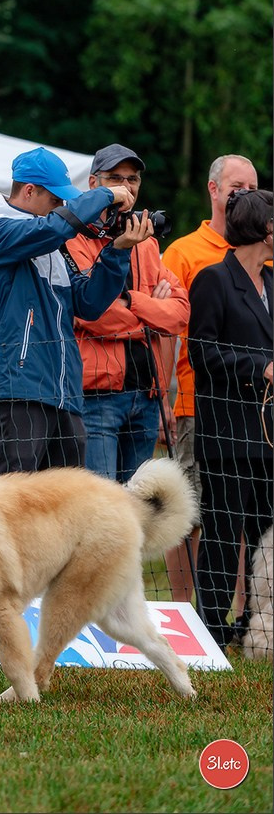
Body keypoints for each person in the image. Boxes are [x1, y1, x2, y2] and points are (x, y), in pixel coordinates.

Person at [0, 145, 146, 476]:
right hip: (20, 388)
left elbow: (89, 304)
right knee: (10, 501)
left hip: (65, 393)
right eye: (55, 199)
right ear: (29, 190)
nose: (62, 206)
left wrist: (118, 251)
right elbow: (54, 228)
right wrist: (106, 195)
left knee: (66, 510)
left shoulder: (49, 240)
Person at [161, 155, 259, 601]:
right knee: (190, 514)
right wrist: (164, 391)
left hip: (254, 408)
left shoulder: (264, 257)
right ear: (214, 190)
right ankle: (187, 609)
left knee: (236, 513)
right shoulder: (183, 252)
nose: (244, 194)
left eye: (252, 188)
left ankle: (233, 610)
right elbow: (168, 329)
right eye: (236, 185)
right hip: (195, 403)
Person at [65, 144, 189, 483]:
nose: (126, 186)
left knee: (140, 511)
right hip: (97, 397)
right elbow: (93, 314)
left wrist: (132, 302)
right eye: (115, 178)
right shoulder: (73, 238)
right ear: (93, 183)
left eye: (132, 178)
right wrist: (152, 315)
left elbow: (179, 314)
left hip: (146, 397)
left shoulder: (147, 242)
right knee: (103, 509)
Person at [188, 188, 273, 651]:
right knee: (223, 532)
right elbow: (200, 352)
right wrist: (258, 366)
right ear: (264, 229)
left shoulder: (273, 283)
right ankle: (210, 629)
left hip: (268, 435)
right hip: (227, 432)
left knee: (266, 530)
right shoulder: (213, 280)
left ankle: (254, 624)